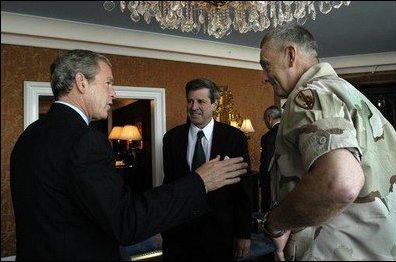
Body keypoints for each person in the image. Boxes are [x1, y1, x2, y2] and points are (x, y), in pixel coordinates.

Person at [9, 49, 248, 261]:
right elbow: (126, 221)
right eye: (108, 83)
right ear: (81, 82)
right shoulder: (85, 140)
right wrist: (200, 181)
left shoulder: (29, 135)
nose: (113, 93)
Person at [259, 23, 396, 261]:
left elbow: (341, 182)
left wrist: (275, 223)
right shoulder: (353, 98)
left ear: (290, 55)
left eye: (265, 65)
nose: (264, 77)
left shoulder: (309, 97)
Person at [161, 78, 253, 260]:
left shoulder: (234, 138)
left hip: (220, 232)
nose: (193, 107)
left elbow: (243, 190)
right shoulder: (171, 138)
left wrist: (244, 233)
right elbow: (169, 185)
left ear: (214, 105)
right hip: (179, 232)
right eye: (190, 101)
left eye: (201, 101)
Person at [259, 105, 281, 213]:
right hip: (286, 179)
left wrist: (262, 181)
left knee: (268, 210)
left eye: (264, 119)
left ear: (269, 117)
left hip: (270, 180)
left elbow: (266, 163)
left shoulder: (268, 137)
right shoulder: (288, 132)